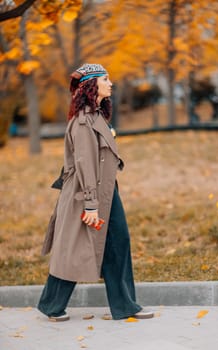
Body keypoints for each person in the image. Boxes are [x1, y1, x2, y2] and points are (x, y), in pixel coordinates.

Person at [37, 63, 154, 321]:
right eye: (105, 79)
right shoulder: (82, 123)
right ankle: (51, 305)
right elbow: (85, 165)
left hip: (106, 192)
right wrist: (91, 204)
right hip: (86, 195)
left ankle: (124, 307)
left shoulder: (96, 117)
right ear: (91, 86)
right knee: (73, 248)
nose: (110, 83)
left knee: (116, 243)